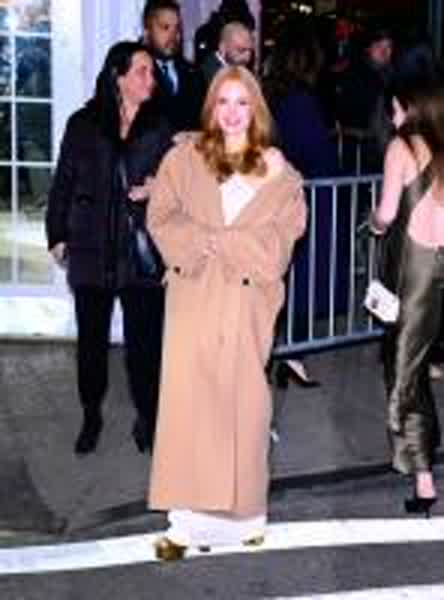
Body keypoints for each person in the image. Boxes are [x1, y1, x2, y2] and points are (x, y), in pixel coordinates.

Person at [146, 66, 307, 560]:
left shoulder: (280, 175)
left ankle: (246, 520)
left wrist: (218, 241)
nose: (233, 113)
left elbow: (277, 246)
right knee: (189, 410)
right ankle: (185, 526)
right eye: (223, 101)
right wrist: (209, 243)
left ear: (256, 109)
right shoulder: (183, 159)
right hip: (193, 297)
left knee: (244, 409)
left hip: (246, 304)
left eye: (242, 102)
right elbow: (161, 218)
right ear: (211, 107)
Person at [45, 41, 172, 455]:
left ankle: (147, 417)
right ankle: (91, 415)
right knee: (91, 345)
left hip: (140, 250)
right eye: (141, 71)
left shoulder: (159, 126)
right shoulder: (83, 123)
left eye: (152, 72)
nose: (150, 79)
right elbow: (63, 181)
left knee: (145, 348)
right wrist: (57, 234)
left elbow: (180, 184)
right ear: (118, 76)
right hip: (91, 247)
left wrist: (159, 187)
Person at [370, 68, 444, 516]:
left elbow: (386, 212)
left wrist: (374, 224)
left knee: (404, 371)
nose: (392, 118)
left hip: (413, 272)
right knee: (419, 363)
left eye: (395, 109)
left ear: (412, 107)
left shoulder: (401, 148)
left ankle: (422, 476)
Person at [264, 26, 342, 387]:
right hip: (301, 200)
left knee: (281, 278)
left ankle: (280, 356)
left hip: (277, 200)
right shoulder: (301, 101)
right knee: (299, 278)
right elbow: (316, 155)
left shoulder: (271, 94)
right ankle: (290, 356)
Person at [142, 0, 204, 132]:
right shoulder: (134, 72)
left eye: (177, 29)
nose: (173, 36)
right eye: (165, 27)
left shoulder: (193, 73)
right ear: (147, 31)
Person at [199, 21, 255, 89]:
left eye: (250, 50)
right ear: (222, 47)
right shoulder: (208, 74)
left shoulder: (242, 69)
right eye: (241, 50)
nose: (247, 57)